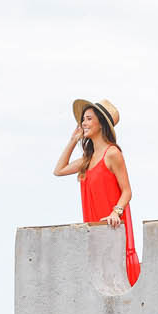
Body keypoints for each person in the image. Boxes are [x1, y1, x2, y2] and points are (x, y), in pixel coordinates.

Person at [54, 98, 140, 287]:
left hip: (110, 224)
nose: (83, 123)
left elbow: (127, 191)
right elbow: (58, 170)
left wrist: (115, 212)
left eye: (88, 119)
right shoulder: (88, 158)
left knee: (114, 278)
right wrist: (73, 140)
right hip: (93, 227)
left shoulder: (112, 153)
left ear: (101, 123)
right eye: (83, 120)